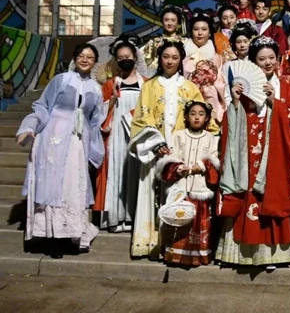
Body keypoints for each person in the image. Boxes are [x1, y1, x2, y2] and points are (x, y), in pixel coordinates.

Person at [17, 44, 105, 259]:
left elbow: (95, 121)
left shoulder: (96, 88)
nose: (85, 60)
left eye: (90, 57)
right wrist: (29, 127)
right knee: (52, 186)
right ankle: (51, 239)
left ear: (95, 62)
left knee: (71, 188)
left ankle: (69, 235)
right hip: (53, 137)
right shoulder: (61, 80)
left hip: (78, 142)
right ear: (74, 58)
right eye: (81, 55)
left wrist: (95, 151)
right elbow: (42, 106)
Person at [215, 59, 290, 271]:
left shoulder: (286, 85)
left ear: (278, 59)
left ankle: (272, 254)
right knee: (246, 192)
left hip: (273, 149)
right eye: (261, 59)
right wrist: (235, 103)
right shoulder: (243, 87)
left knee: (271, 192)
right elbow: (231, 121)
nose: (267, 62)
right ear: (254, 63)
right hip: (246, 150)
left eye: (272, 57)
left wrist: (275, 103)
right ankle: (241, 252)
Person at [128, 40, 206, 259]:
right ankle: (152, 244)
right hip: (157, 150)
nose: (170, 61)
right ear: (159, 59)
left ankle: (176, 246)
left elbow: (201, 115)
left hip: (183, 150)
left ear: (181, 59)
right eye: (166, 56)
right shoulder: (150, 86)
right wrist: (156, 143)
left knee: (179, 195)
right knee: (153, 194)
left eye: (174, 57)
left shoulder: (190, 88)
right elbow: (142, 118)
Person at [155, 100, 220, 267]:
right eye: (192, 114)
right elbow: (169, 159)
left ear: (207, 118)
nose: (197, 118)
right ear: (186, 116)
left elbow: (214, 161)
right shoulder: (178, 136)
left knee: (199, 222)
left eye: (201, 114)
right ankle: (174, 254)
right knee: (178, 220)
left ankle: (198, 256)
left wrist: (201, 165)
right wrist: (177, 167)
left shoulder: (211, 138)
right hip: (181, 188)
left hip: (200, 187)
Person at [94, 35, 146, 233]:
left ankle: (134, 216)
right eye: (121, 56)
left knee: (136, 172)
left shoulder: (146, 83)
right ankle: (115, 217)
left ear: (135, 57)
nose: (125, 59)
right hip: (116, 134)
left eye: (128, 55)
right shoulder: (110, 84)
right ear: (116, 60)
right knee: (116, 171)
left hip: (138, 132)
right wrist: (113, 101)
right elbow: (101, 114)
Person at [183, 9, 227, 125]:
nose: (200, 33)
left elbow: (220, 82)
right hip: (187, 98)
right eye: (196, 29)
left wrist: (208, 88)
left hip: (210, 99)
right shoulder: (183, 56)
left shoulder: (216, 57)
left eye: (204, 29)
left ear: (209, 32)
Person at [140, 5, 186, 71]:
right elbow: (141, 60)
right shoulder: (154, 42)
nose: (169, 23)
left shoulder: (185, 42)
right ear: (162, 22)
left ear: (177, 22)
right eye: (166, 20)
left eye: (173, 20)